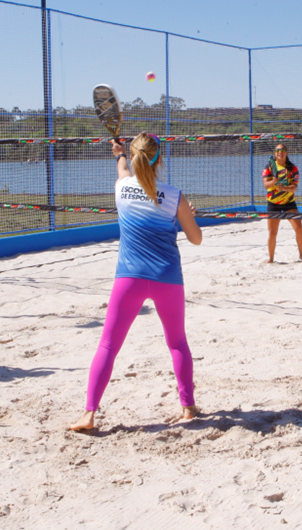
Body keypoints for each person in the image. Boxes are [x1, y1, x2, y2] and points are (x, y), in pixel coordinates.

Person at [70, 133, 203, 431]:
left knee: (108, 345)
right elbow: (196, 239)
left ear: (132, 157)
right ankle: (187, 407)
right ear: (159, 158)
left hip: (128, 279)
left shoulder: (121, 188)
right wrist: (187, 217)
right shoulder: (174, 196)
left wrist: (118, 154)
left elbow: (124, 172)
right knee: (177, 342)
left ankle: (89, 414)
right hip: (167, 278)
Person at [262, 143, 302, 263]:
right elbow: (266, 185)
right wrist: (273, 182)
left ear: (286, 153)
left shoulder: (292, 168)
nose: (280, 152)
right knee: (272, 232)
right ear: (275, 153)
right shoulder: (269, 167)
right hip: (273, 203)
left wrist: (284, 188)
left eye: (282, 150)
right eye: (277, 150)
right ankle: (271, 259)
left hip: (289, 202)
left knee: (298, 229)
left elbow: (294, 187)